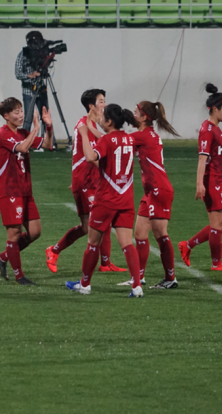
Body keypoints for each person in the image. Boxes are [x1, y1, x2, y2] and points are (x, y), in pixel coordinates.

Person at [66, 104, 144, 297]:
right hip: (126, 200)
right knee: (127, 244)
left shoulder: (107, 141)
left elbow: (91, 155)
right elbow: (110, 152)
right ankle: (136, 286)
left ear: (109, 121)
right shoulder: (129, 139)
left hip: (106, 199)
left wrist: (84, 134)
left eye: (103, 117)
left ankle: (85, 285)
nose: (100, 119)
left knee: (93, 242)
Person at [45, 89, 125, 273]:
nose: (104, 104)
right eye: (101, 101)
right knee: (92, 225)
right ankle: (55, 250)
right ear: (92, 106)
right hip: (86, 181)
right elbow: (93, 157)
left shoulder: (92, 125)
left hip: (91, 180)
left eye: (105, 100)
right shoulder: (85, 125)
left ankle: (105, 263)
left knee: (95, 223)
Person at [178, 83, 222, 271]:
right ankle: (216, 263)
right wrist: (200, 184)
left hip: (220, 181)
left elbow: (220, 158)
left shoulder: (216, 129)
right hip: (212, 182)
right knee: (217, 224)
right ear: (215, 109)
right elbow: (202, 159)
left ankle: (188, 245)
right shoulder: (207, 130)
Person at [0, 97, 53, 285]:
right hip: (9, 192)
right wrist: (35, 128)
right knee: (14, 234)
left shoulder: (22, 132)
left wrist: (48, 127)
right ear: (6, 116)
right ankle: (19, 276)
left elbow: (48, 145)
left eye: (21, 111)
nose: (20, 115)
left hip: (25, 191)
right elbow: (24, 148)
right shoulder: (4, 135)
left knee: (35, 232)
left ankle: (2, 258)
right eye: (16, 112)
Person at [130, 101, 180, 290]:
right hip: (151, 191)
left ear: (144, 117)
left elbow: (117, 141)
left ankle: (170, 278)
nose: (133, 114)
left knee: (161, 234)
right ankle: (139, 278)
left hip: (159, 190)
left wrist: (90, 131)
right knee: (140, 233)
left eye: (136, 112)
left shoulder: (143, 136)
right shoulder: (146, 134)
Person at [14, 30, 56, 149]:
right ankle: (23, 142)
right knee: (27, 118)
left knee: (46, 117)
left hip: (41, 89)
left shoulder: (42, 53)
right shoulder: (22, 54)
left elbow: (46, 69)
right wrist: (30, 75)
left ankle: (49, 141)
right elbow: (17, 74)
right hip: (28, 90)